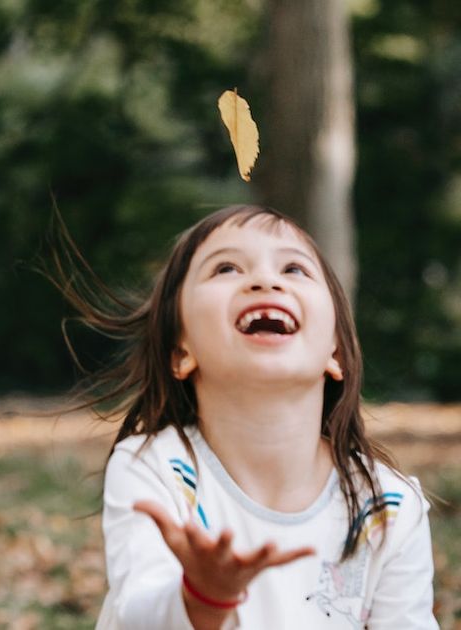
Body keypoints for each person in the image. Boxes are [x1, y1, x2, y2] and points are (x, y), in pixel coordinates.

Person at [54, 206, 436, 628]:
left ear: (336, 352)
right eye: (226, 268)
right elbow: (138, 615)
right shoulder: (155, 467)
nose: (265, 280)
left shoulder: (389, 506)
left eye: (293, 268)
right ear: (181, 352)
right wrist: (201, 598)